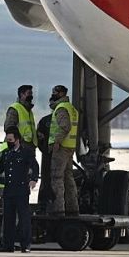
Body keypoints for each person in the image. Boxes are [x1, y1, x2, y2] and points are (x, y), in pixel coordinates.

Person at [0, 130, 39, 253]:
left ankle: (25, 244)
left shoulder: (26, 153)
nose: (8, 143)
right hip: (9, 190)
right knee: (8, 219)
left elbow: (34, 166)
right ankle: (7, 244)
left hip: (21, 191)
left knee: (24, 219)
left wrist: (33, 179)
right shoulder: (5, 154)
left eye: (10, 140)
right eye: (7, 140)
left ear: (17, 140)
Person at [45, 86, 80, 217]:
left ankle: (58, 210)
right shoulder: (71, 108)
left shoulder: (61, 108)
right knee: (68, 178)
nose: (52, 95)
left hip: (61, 148)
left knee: (56, 178)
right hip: (69, 147)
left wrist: (57, 142)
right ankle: (72, 208)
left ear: (61, 94)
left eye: (54, 92)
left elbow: (65, 126)